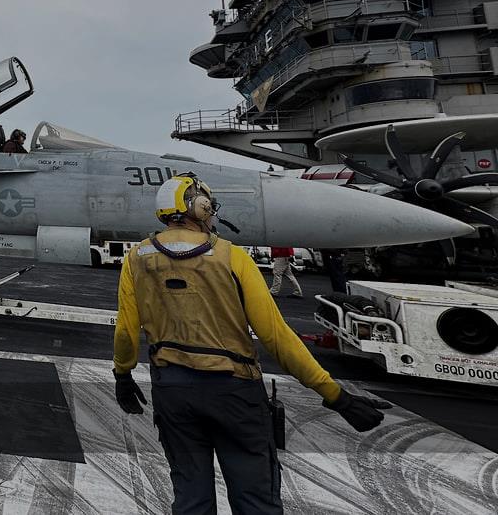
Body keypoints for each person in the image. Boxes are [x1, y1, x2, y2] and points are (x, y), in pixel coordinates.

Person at [113, 173, 391, 514]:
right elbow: (276, 336)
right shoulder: (230, 256)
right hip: (234, 393)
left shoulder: (136, 258)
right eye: (210, 207)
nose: (212, 213)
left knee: (190, 500)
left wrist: (122, 375)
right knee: (255, 502)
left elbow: (126, 331)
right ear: (199, 207)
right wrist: (335, 395)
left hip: (172, 392)